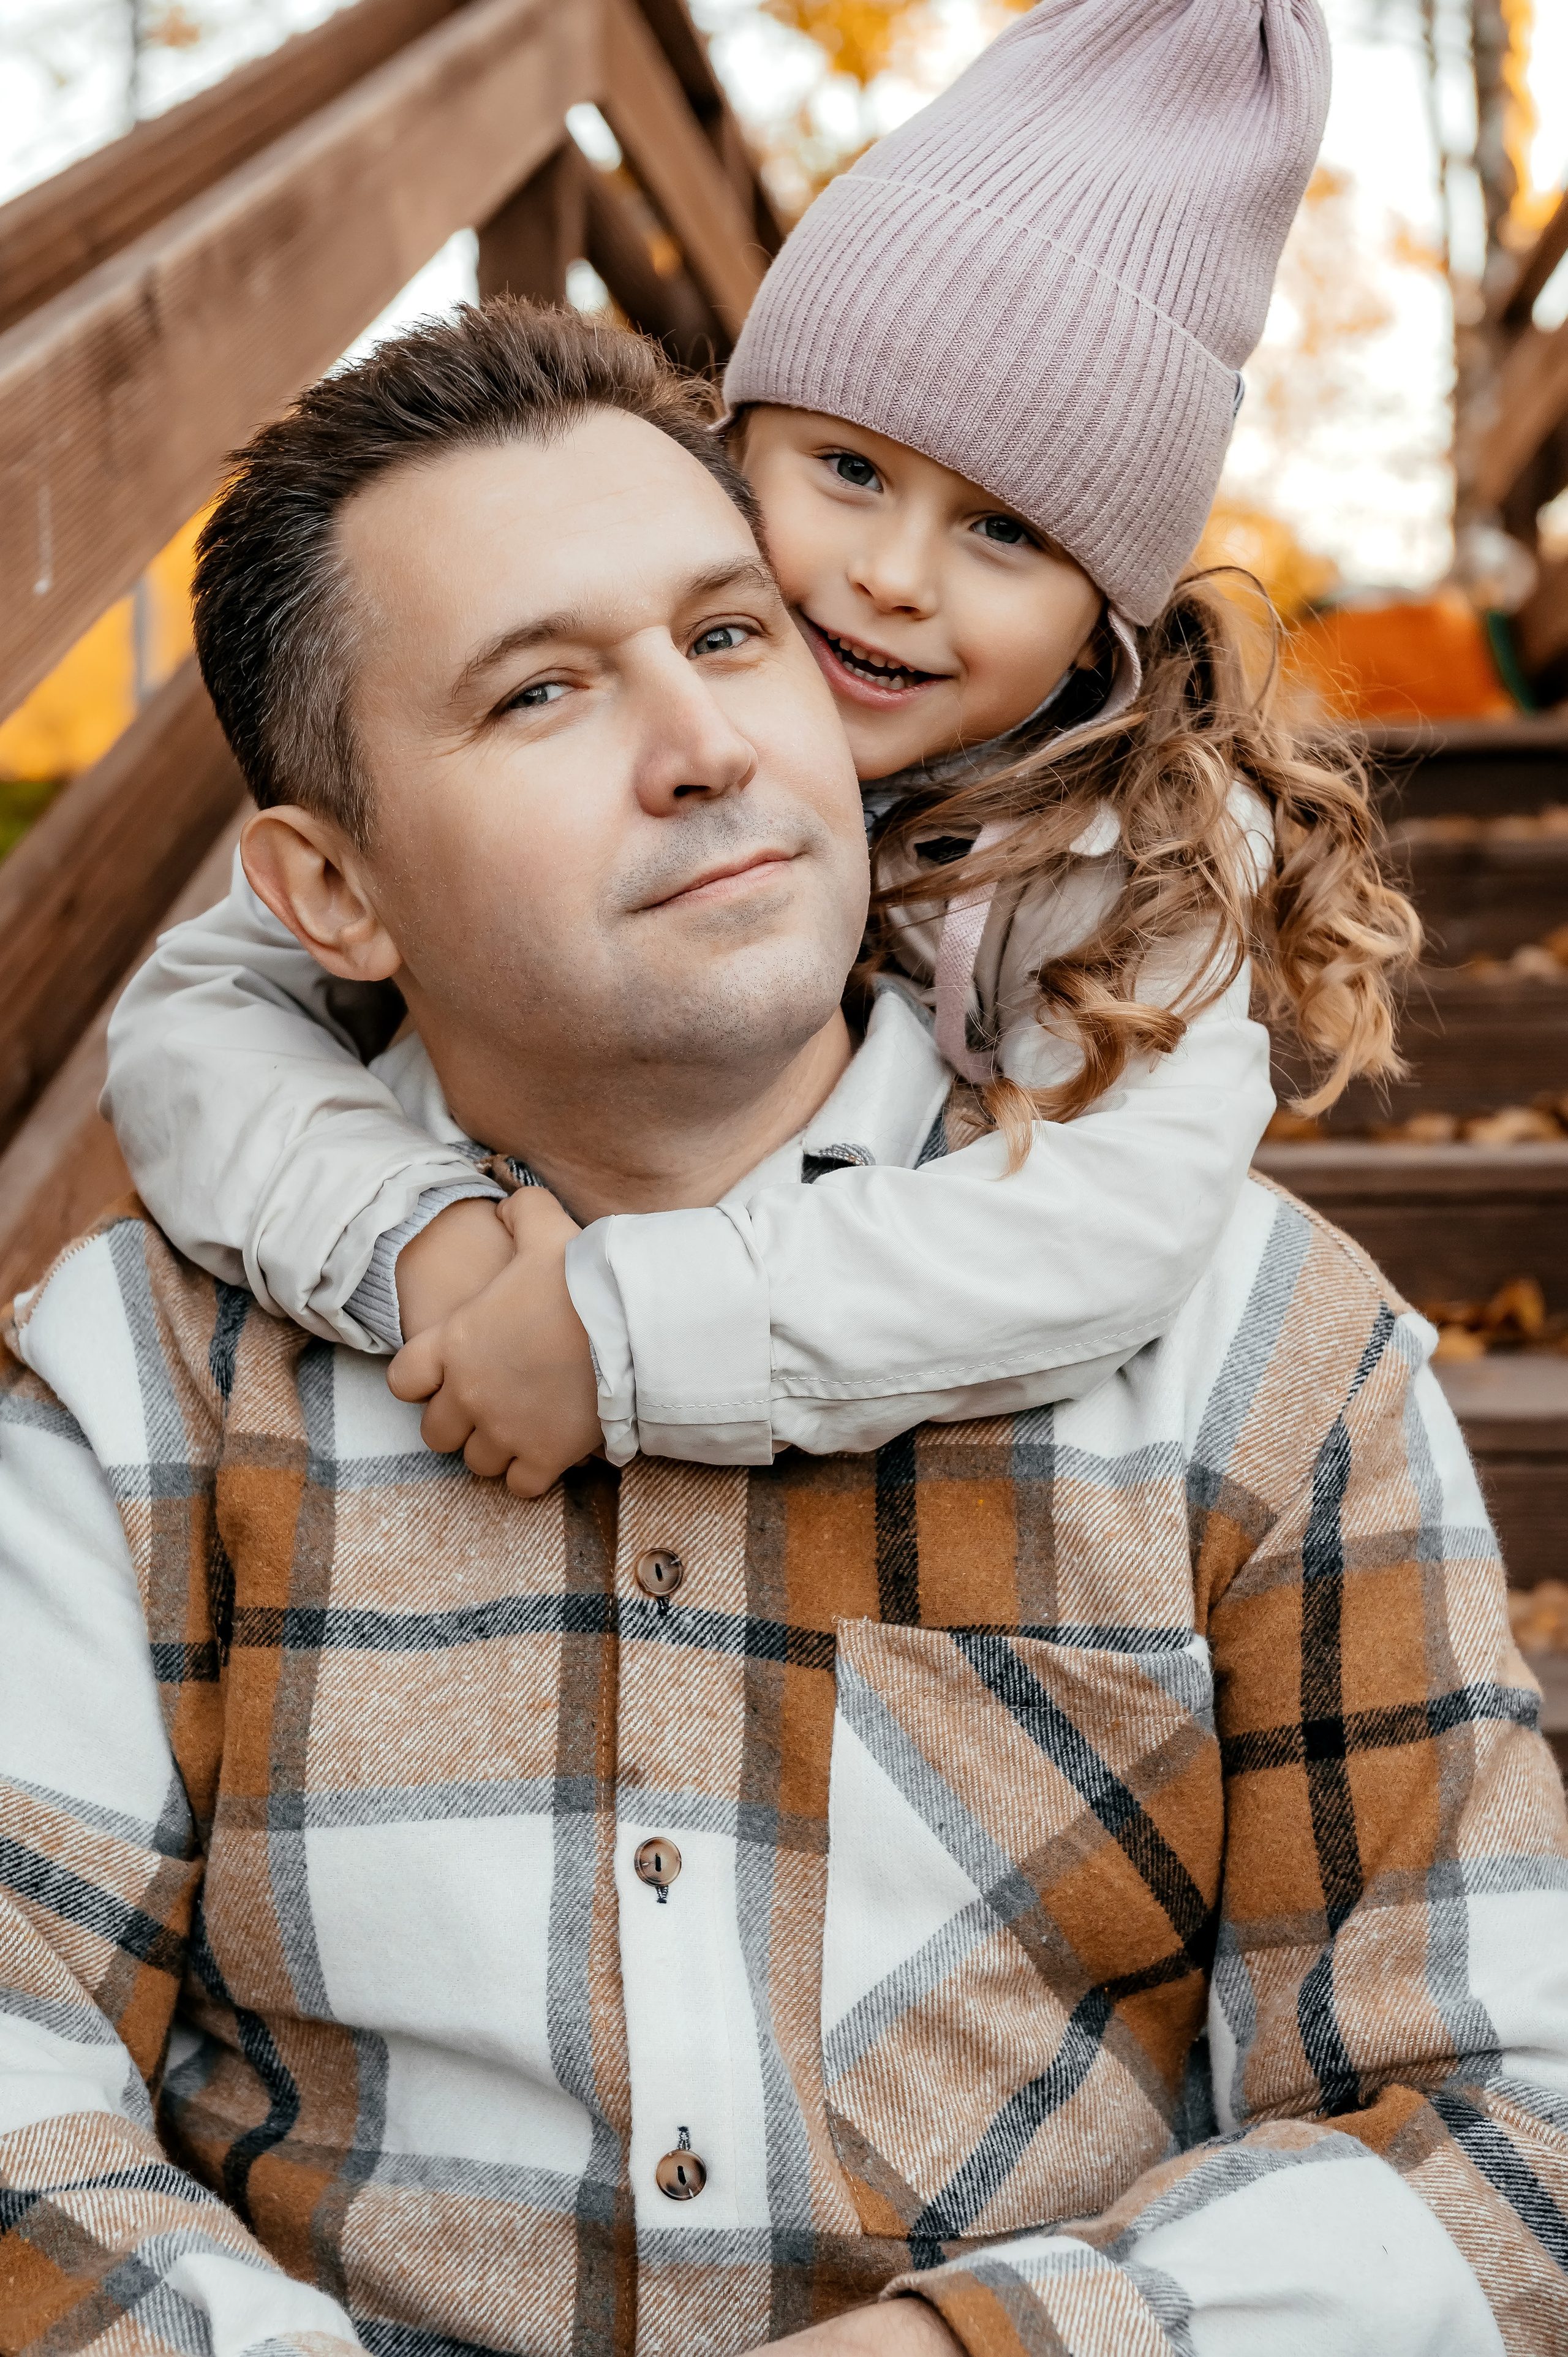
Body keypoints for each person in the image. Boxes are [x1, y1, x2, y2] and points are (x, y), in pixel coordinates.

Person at [2, 303, 1566, 2357]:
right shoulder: (141, 1386)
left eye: (736, 638)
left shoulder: (1258, 1348)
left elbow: (1500, 2122)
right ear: (329, 891)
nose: (706, 744)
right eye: (543, 690)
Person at [101, 0, 1420, 1497]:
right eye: (849, 470)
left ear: (1097, 621)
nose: (896, 576)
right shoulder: (633, 727)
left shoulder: (1131, 867)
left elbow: (1102, 1228)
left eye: (1003, 530)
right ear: (738, 451)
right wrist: (414, 1239)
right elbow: (195, 1017)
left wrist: (633, 1338)